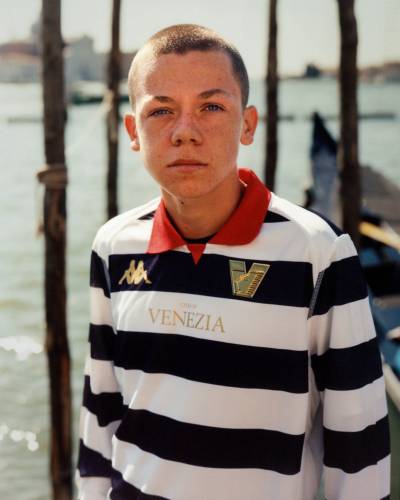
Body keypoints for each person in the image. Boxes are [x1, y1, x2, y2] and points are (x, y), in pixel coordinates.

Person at [77, 24, 390, 500]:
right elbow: (101, 408)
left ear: (247, 124)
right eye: (161, 110)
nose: (185, 132)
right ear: (133, 131)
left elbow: (358, 443)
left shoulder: (317, 253)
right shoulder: (114, 246)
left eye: (211, 107)